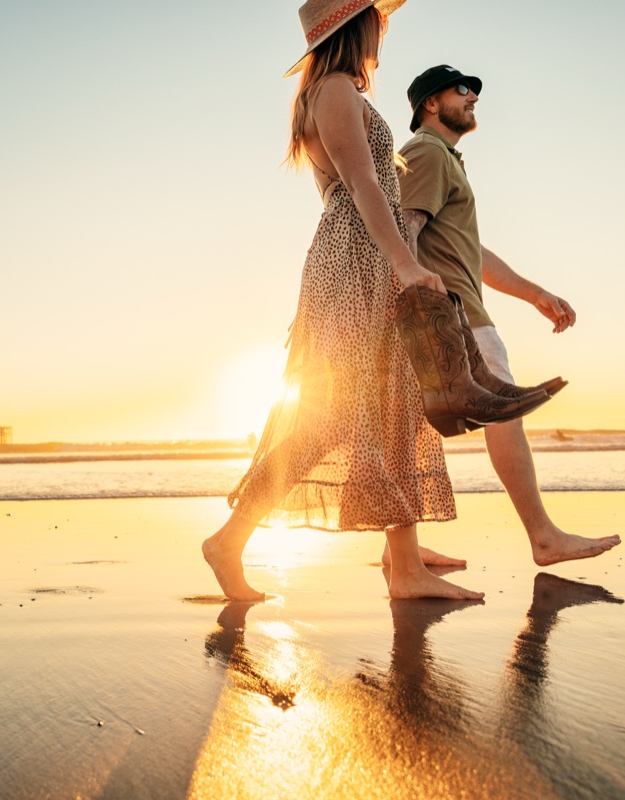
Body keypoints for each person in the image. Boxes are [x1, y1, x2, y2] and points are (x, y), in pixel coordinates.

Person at [203, 0, 490, 604]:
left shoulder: (334, 91)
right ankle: (234, 540)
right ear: (354, 25)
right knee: (347, 411)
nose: (384, 26)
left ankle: (403, 564)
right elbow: (363, 185)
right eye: (377, 17)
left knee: (384, 405)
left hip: (363, 253)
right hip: (358, 256)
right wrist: (407, 265)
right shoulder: (333, 89)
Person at [396, 65, 622, 566]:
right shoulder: (427, 152)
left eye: (474, 89)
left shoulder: (446, 159)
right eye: (462, 89)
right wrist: (415, 305)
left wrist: (532, 292)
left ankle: (402, 553)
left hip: (452, 310)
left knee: (407, 427)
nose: (473, 95)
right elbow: (404, 229)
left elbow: (468, 249)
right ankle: (542, 536)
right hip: (450, 318)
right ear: (431, 104)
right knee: (503, 409)